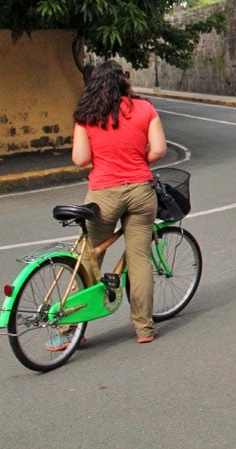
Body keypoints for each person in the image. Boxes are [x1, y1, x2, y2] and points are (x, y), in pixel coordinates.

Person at [70, 60, 167, 345]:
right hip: (139, 190)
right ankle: (144, 329)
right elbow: (159, 150)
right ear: (123, 81)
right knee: (139, 259)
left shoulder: (86, 115)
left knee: (89, 257)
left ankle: (69, 328)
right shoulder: (145, 109)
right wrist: (138, 161)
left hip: (103, 194)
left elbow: (79, 159)